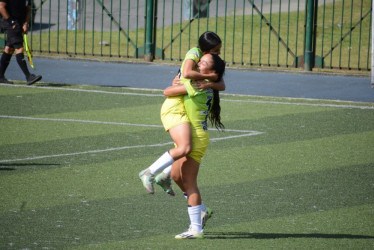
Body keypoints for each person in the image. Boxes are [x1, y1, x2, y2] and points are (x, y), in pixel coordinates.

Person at [139, 31, 224, 196]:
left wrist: (209, 82)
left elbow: (221, 83)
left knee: (185, 147)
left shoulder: (208, 62)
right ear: (206, 50)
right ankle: (149, 172)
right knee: (185, 147)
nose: (218, 54)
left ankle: (165, 176)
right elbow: (183, 76)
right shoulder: (195, 54)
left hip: (182, 104)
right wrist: (207, 78)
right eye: (216, 51)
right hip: (175, 105)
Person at [164, 53, 226, 239]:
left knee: (190, 184)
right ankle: (201, 210)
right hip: (191, 135)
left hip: (194, 138)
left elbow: (167, 92)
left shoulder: (196, 85)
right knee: (175, 175)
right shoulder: (205, 84)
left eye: (203, 63)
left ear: (212, 72)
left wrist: (177, 83)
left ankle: (196, 228)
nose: (198, 64)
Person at [0, 0, 42, 85]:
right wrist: (12, 23)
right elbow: (1, 7)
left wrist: (26, 23)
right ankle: (28, 76)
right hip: (10, 23)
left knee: (9, 49)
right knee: (19, 48)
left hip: (20, 22)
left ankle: (0, 76)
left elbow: (28, 9)